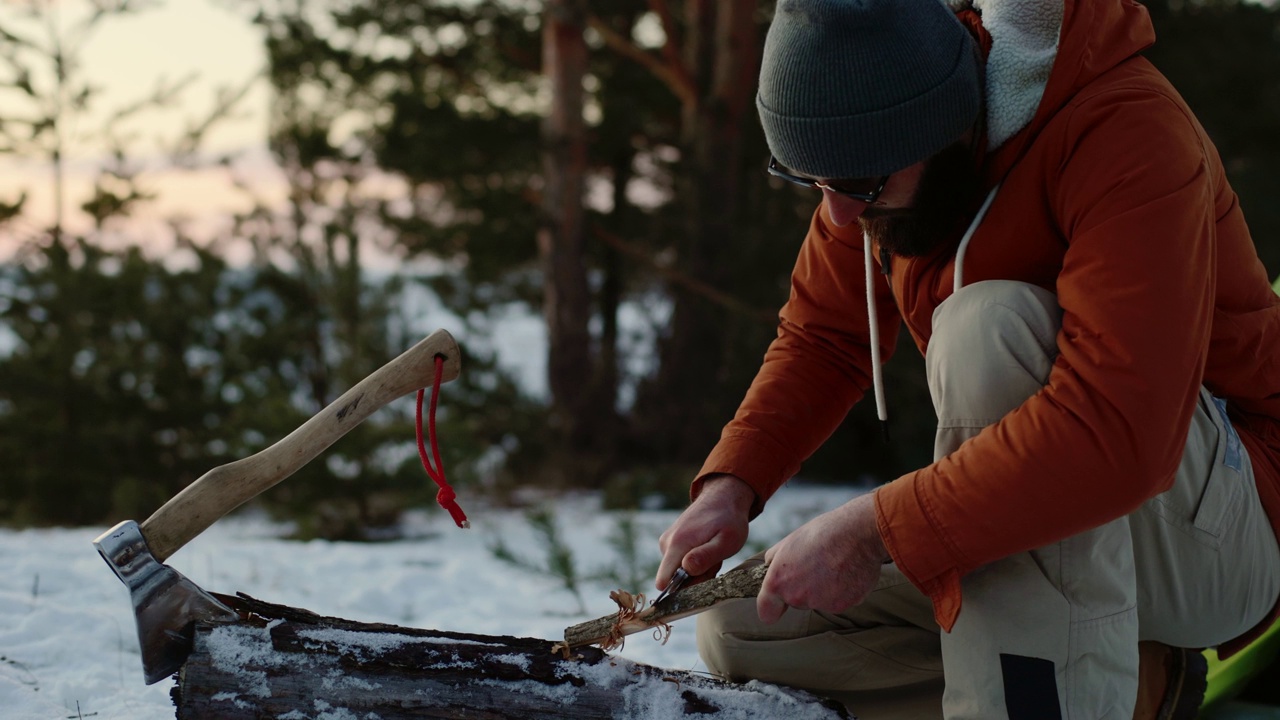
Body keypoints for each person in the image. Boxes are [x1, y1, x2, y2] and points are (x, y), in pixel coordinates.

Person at [653, 0, 1280, 718]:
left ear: (947, 129)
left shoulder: (1127, 132)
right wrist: (730, 487)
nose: (836, 217)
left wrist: (874, 528)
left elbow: (1120, 434)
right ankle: (1131, 687)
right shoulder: (877, 161)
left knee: (990, 327)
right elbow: (825, 335)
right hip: (1071, 513)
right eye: (812, 182)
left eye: (858, 186)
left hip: (1225, 531)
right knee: (751, 630)